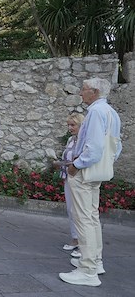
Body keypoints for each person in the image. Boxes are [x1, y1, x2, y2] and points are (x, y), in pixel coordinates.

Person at [59, 78, 122, 287]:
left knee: (83, 219)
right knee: (92, 218)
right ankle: (95, 261)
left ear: (94, 92)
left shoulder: (95, 112)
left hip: (85, 173)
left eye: (84, 89)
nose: (80, 93)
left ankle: (87, 270)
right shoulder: (111, 113)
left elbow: (93, 148)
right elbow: (116, 147)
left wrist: (76, 165)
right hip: (98, 172)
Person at [54, 113, 84, 255]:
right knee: (71, 209)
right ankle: (75, 238)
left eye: (73, 125)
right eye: (68, 125)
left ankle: (83, 242)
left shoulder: (83, 142)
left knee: (79, 210)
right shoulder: (71, 140)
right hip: (68, 177)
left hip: (79, 179)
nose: (70, 128)